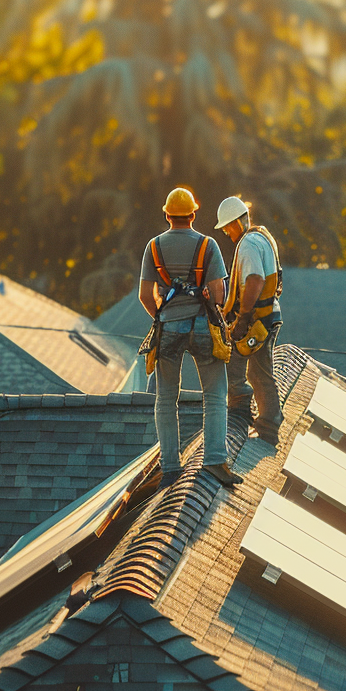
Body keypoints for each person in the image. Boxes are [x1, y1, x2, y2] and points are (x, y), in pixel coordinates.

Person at [139, 187, 244, 487]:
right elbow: (220, 295)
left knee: (166, 398)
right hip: (202, 327)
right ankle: (214, 460)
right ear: (194, 214)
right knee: (214, 394)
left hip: (168, 328)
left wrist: (161, 315)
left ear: (167, 215)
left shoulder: (154, 246)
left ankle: (170, 468)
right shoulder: (207, 245)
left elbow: (146, 295)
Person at [215, 196, 284, 445]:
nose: (225, 231)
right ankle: (258, 417)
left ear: (237, 222)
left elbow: (255, 279)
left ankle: (264, 426)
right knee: (255, 369)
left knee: (254, 372)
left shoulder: (247, 245)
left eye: (226, 226)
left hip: (258, 319)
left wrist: (243, 317)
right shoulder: (261, 237)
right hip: (267, 316)